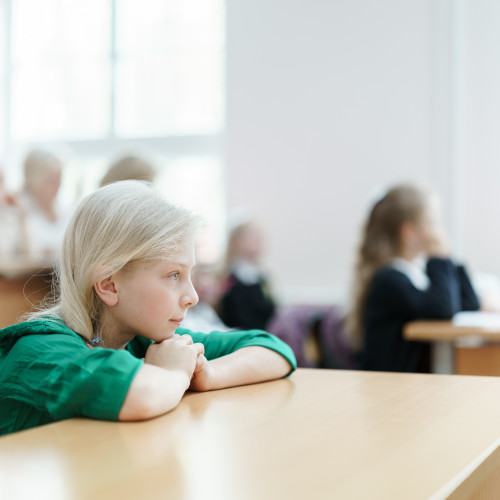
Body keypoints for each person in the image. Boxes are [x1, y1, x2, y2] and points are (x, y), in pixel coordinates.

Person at [0, 180, 296, 435]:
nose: (192, 296)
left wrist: (208, 375)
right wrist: (176, 372)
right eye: (174, 275)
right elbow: (141, 395)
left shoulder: (141, 340)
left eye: (190, 275)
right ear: (109, 285)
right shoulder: (37, 350)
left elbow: (272, 349)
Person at [346, 184, 480, 373]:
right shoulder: (389, 279)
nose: (439, 232)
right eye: (433, 223)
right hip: (385, 383)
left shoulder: (415, 273)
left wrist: (447, 259)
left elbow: (469, 303)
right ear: (409, 233)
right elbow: (442, 310)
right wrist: (438, 258)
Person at [218, 218, 277, 330]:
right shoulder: (229, 277)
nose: (257, 239)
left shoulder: (262, 275)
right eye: (251, 235)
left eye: (258, 235)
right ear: (236, 241)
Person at [17, 149, 72, 261]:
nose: (58, 186)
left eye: (59, 179)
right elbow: (30, 253)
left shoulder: (65, 208)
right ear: (35, 180)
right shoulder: (19, 209)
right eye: (51, 181)